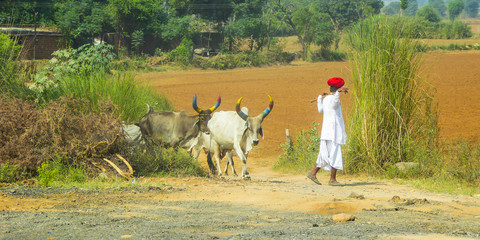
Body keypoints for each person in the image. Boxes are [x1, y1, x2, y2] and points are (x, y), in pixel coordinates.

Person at [307, 77, 348, 186]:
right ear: (338, 88)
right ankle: (332, 179)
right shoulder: (333, 99)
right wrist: (338, 94)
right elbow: (335, 104)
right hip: (333, 132)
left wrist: (320, 98)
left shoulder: (326, 99)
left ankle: (313, 173)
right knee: (334, 154)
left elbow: (320, 110)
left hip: (326, 132)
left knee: (325, 154)